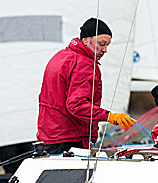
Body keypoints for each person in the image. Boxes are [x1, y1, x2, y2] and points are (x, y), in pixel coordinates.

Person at [36, 18, 137, 154]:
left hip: (49, 137)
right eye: (101, 44)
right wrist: (109, 116)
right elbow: (76, 105)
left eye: (107, 45)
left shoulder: (60, 57)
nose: (105, 50)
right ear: (85, 40)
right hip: (70, 139)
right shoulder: (84, 64)